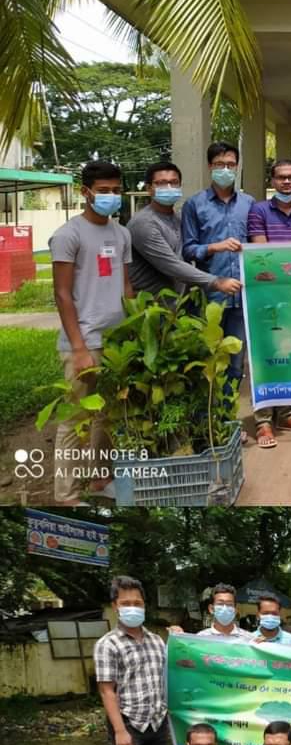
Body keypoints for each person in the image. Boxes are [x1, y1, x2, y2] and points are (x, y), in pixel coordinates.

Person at [50, 160, 134, 505]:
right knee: (74, 419)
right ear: (85, 192)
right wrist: (79, 347)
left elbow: (126, 286)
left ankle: (102, 478)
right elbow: (61, 294)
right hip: (83, 342)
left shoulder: (122, 233)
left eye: (115, 190)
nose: (110, 196)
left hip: (115, 343)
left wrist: (133, 331)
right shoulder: (68, 235)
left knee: (107, 415)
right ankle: (67, 495)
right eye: (103, 191)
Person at [247, 159, 291, 448]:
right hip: (266, 293)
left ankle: (288, 413)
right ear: (273, 180)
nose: (287, 182)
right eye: (281, 177)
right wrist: (283, 276)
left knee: (290, 350)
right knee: (265, 354)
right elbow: (261, 254)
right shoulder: (259, 210)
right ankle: (263, 420)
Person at [180, 142, 255, 418]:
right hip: (209, 298)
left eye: (231, 164)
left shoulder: (249, 203)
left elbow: (257, 245)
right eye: (220, 164)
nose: (225, 169)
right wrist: (214, 247)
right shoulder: (194, 205)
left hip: (241, 297)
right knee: (207, 361)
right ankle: (206, 423)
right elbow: (188, 250)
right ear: (210, 166)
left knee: (235, 364)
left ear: (237, 167)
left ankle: (227, 420)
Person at [128, 162, 241, 303]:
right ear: (149, 189)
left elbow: (188, 253)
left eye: (174, 182)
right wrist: (216, 282)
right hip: (152, 307)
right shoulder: (144, 223)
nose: (169, 187)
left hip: (178, 305)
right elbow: (170, 265)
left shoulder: (178, 218)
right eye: (161, 183)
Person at [94, 576, 169, 745]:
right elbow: (106, 691)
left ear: (144, 605)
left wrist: (179, 639)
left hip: (157, 722)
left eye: (137, 603)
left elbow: (168, 676)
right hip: (129, 724)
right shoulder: (108, 644)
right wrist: (120, 731)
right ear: (115, 606)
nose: (132, 608)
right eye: (126, 603)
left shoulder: (157, 641)